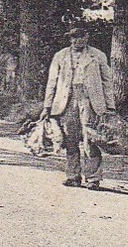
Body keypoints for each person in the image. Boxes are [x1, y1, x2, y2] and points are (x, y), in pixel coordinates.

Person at [40, 25, 115, 189]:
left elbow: (107, 82)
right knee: (70, 139)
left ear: (87, 37)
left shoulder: (97, 55)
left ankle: (93, 178)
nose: (76, 41)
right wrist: (47, 106)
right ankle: (73, 175)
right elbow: (51, 82)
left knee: (91, 138)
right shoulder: (60, 56)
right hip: (67, 100)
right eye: (73, 38)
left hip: (90, 101)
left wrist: (109, 106)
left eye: (80, 37)